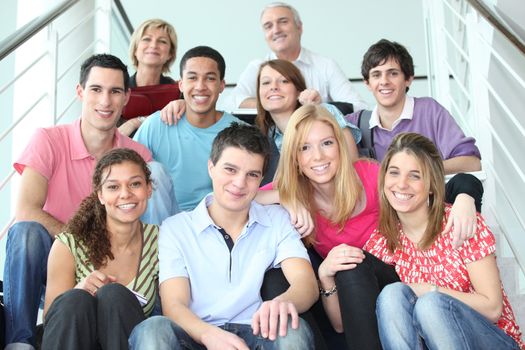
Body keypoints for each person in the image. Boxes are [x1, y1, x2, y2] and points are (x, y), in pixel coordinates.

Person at [259, 104, 481, 349]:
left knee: (351, 263)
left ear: (340, 147)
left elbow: (437, 184)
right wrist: (286, 198)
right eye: (305, 148)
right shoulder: (295, 192)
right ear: (295, 158)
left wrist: (465, 196)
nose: (318, 156)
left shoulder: (369, 175)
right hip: (343, 292)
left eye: (327, 143)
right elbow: (232, 197)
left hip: (396, 284)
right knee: (279, 277)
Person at [2, 53, 169, 350]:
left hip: (124, 272)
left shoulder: (138, 156)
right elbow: (26, 210)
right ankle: (21, 341)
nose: (105, 100)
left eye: (115, 91)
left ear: (127, 96)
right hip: (57, 264)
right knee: (25, 232)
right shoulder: (48, 140)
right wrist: (82, 245)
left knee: (114, 295)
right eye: (96, 89)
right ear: (80, 92)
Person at [129, 123, 318, 349]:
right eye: (230, 169)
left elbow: (306, 283)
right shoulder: (176, 228)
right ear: (211, 167)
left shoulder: (277, 220)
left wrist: (283, 302)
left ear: (260, 180)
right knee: (152, 329)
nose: (239, 183)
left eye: (252, 175)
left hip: (257, 330)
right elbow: (174, 304)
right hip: (197, 334)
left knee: (292, 329)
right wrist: (210, 336)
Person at [365, 132, 524, 349]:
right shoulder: (382, 240)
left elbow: (493, 309)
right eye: (394, 173)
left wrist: (430, 290)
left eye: (415, 175)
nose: (401, 184)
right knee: (392, 294)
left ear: (431, 185)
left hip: (493, 341)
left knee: (430, 304)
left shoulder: (459, 222)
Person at [41, 148, 159, 350]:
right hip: (74, 340)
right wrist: (80, 289)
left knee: (114, 295)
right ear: (100, 196)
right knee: (74, 299)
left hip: (126, 341)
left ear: (148, 189)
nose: (125, 194)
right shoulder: (68, 244)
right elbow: (52, 319)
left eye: (135, 184)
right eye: (113, 187)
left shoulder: (161, 241)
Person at [346, 39, 482, 175]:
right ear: (367, 83)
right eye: (376, 75)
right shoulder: (353, 124)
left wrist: (418, 171)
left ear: (408, 79)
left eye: (393, 73)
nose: (384, 81)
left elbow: (471, 163)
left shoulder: (429, 111)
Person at [133, 46, 244, 211]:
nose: (200, 86)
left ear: (221, 85)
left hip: (215, 222)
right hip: (161, 224)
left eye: (210, 78)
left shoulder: (240, 132)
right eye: (192, 78)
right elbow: (126, 173)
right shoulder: (156, 124)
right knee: (152, 170)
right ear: (181, 85)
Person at [226, 2, 367, 111]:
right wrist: (277, 102)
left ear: (299, 27)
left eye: (283, 21)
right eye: (268, 26)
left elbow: (358, 106)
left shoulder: (325, 65)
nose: (276, 30)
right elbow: (232, 103)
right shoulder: (257, 67)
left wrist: (319, 107)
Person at [255, 59, 360, 161]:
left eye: (284, 81)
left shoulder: (326, 112)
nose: (274, 87)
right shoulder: (269, 136)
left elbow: (353, 162)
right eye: (266, 82)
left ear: (298, 91)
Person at [118, 18, 179, 136]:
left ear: (170, 54)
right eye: (146, 39)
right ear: (135, 49)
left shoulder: (178, 93)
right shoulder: (119, 88)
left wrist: (135, 122)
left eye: (162, 41)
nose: (154, 45)